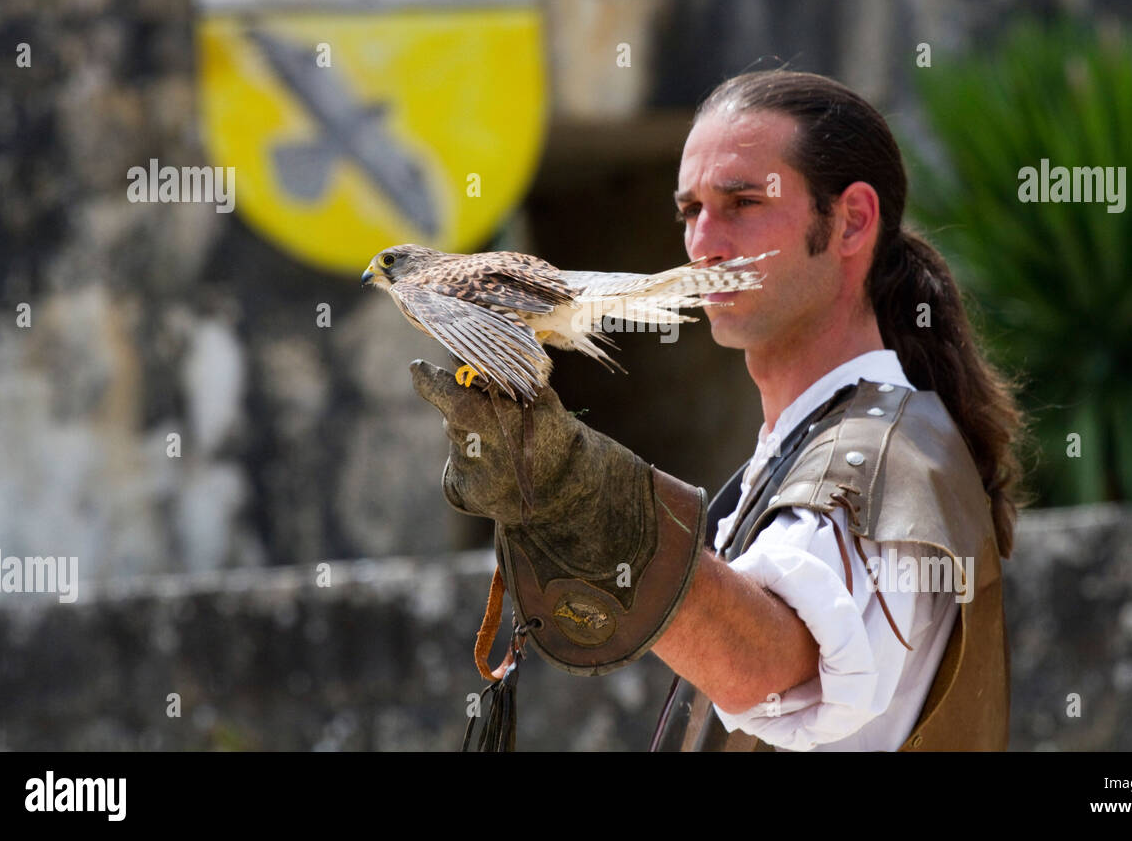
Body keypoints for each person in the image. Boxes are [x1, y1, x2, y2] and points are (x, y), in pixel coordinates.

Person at [411, 69, 1027, 751]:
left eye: (741, 202)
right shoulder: (804, 449)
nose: (705, 240)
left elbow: (774, 667)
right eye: (690, 211)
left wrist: (574, 493)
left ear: (851, 221)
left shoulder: (883, 456)